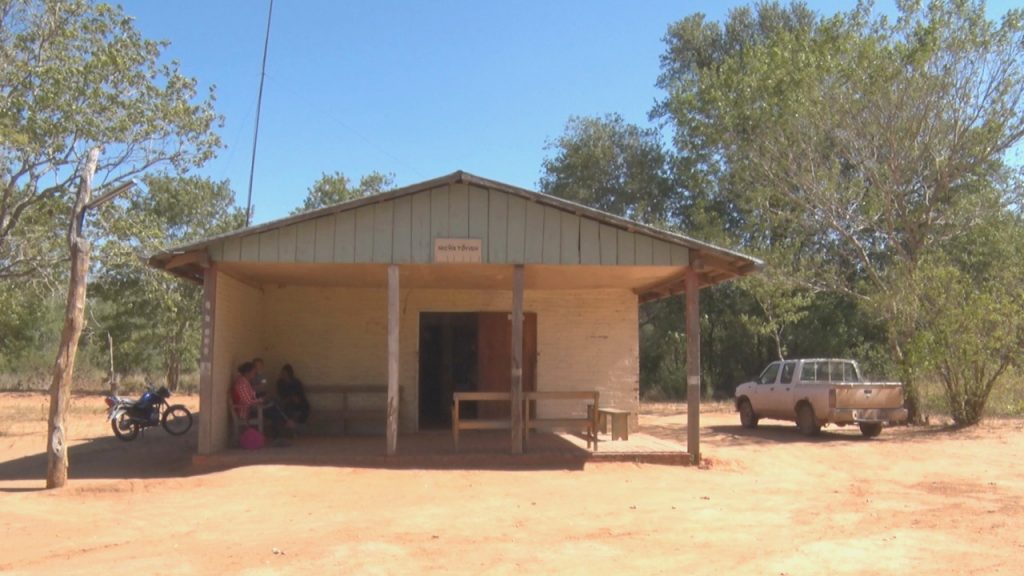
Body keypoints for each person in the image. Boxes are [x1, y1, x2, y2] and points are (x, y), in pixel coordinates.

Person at [232, 361, 295, 438]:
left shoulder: (246, 382)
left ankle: (283, 428)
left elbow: (252, 395)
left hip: (252, 408)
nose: (255, 373)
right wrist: (261, 400)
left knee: (274, 404)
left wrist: (263, 399)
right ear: (247, 372)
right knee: (274, 408)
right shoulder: (241, 383)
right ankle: (286, 423)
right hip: (246, 411)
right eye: (253, 372)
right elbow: (247, 402)